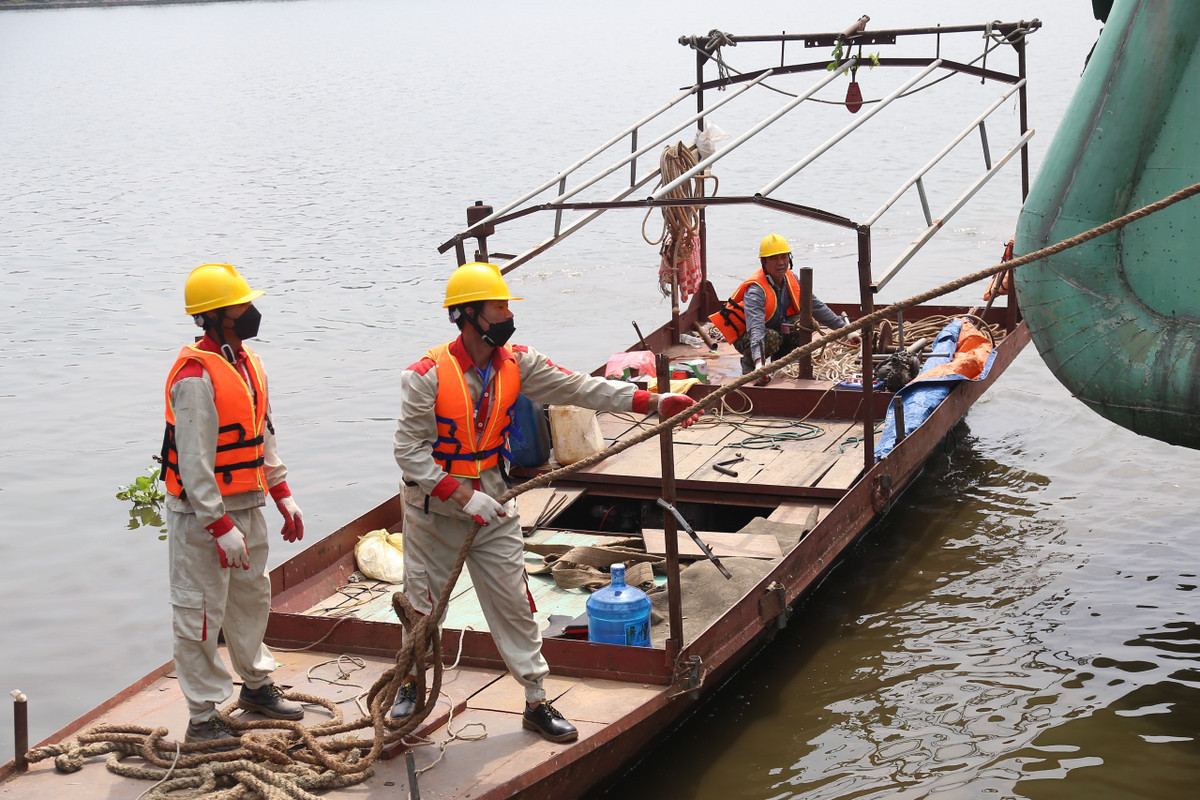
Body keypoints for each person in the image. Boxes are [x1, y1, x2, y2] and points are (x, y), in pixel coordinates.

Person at [391, 262, 702, 743]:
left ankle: (536, 701)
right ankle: (411, 684)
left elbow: (581, 387)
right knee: (422, 607)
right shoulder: (425, 376)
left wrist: (652, 402)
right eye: (499, 307)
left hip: (494, 500)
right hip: (434, 508)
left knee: (515, 604)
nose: (508, 315)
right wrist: (462, 496)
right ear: (468, 314)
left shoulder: (519, 363)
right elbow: (408, 452)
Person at [161, 263, 306, 744]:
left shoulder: (248, 365)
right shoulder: (195, 378)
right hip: (201, 515)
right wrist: (218, 525)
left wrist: (283, 494)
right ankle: (202, 717)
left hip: (247, 501)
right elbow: (194, 463)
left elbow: (264, 436)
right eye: (241, 306)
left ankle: (256, 687)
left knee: (251, 598)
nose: (251, 312)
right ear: (214, 316)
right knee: (200, 612)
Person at [708, 233, 857, 385]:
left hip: (775, 327)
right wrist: (759, 363)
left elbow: (816, 306)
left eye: (784, 257)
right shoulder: (755, 291)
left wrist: (846, 330)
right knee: (771, 337)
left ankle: (783, 363)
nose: (780, 263)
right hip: (749, 336)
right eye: (774, 258)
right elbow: (756, 329)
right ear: (764, 262)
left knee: (803, 323)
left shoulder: (791, 279)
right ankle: (751, 367)